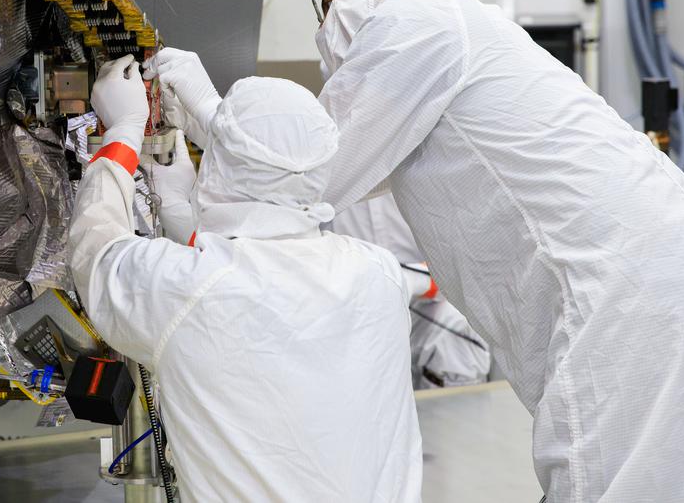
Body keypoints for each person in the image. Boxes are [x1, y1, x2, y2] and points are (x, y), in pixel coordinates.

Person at [151, 0, 684, 502]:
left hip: (629, 302)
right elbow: (324, 174)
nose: (323, 29)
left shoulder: (412, 22)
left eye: (326, 6)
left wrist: (209, 111)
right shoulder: (464, 34)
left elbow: (308, 173)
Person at [68, 57, 421, 502]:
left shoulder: (185, 290)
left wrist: (123, 132)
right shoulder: (380, 274)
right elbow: (260, 295)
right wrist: (187, 221)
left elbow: (97, 252)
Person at [331, 194, 491, 390]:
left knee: (459, 327)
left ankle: (457, 408)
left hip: (424, 305)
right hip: (349, 311)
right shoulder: (322, 178)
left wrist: (412, 281)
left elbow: (464, 265)